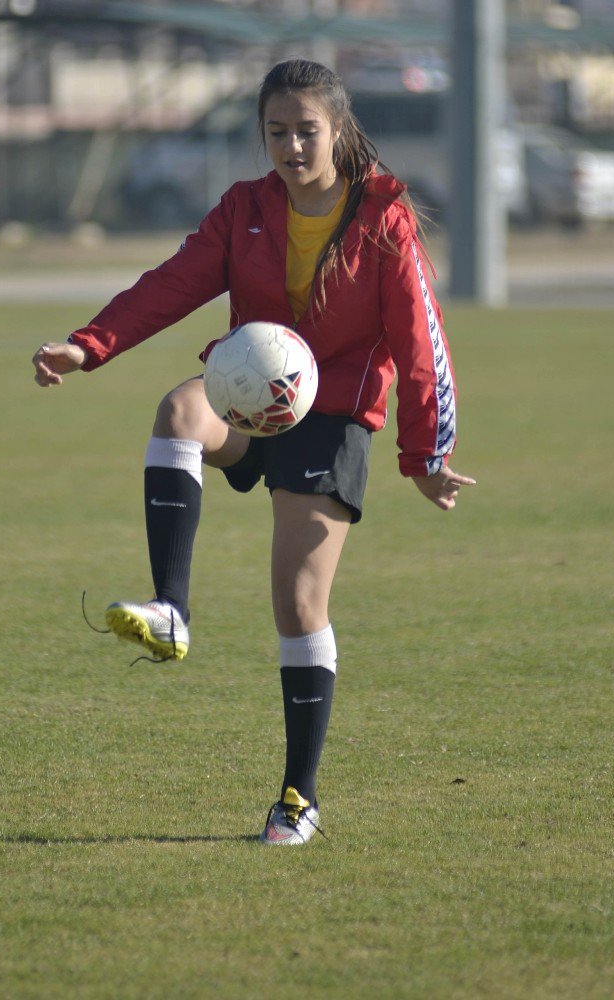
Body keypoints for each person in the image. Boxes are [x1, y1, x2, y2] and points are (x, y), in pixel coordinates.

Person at [32, 59, 475, 846]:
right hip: (246, 404)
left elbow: (419, 339)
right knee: (177, 410)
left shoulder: (382, 216)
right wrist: (86, 345)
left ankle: (297, 801)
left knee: (297, 608)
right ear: (261, 135)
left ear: (338, 130)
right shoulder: (246, 209)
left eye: (308, 130)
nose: (293, 146)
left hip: (331, 420)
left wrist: (423, 454)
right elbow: (172, 283)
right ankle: (171, 610)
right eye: (277, 131)